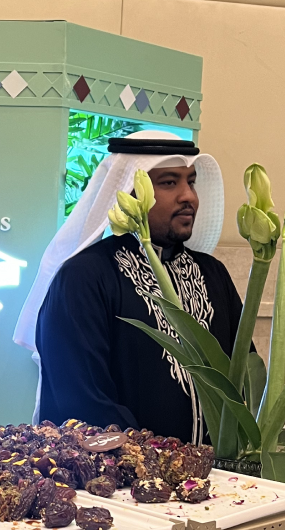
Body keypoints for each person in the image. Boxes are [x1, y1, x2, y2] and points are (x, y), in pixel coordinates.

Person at [14, 130, 239, 443]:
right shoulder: (84, 277)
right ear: (129, 192)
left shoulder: (213, 274)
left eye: (191, 182)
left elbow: (241, 378)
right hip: (123, 471)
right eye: (169, 183)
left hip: (217, 470)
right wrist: (155, 459)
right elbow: (83, 400)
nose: (188, 196)